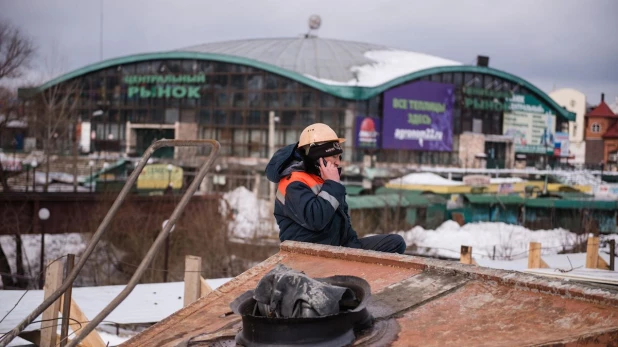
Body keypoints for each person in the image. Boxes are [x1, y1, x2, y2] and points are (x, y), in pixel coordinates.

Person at [265, 123, 406, 254]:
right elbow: (316, 220)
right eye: (334, 156)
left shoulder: (322, 180)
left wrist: (354, 245)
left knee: (395, 243)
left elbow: (342, 223)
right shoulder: (293, 183)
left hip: (339, 248)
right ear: (318, 157)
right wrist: (332, 184)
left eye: (339, 156)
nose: (338, 162)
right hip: (311, 255)